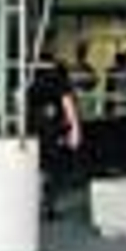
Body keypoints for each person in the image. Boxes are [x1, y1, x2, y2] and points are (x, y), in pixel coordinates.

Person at [28, 47, 83, 219]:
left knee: (38, 168)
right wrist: (75, 129)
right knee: (54, 169)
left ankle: (35, 204)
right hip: (54, 129)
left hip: (34, 128)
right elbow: (67, 103)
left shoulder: (32, 79)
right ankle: (49, 206)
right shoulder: (58, 78)